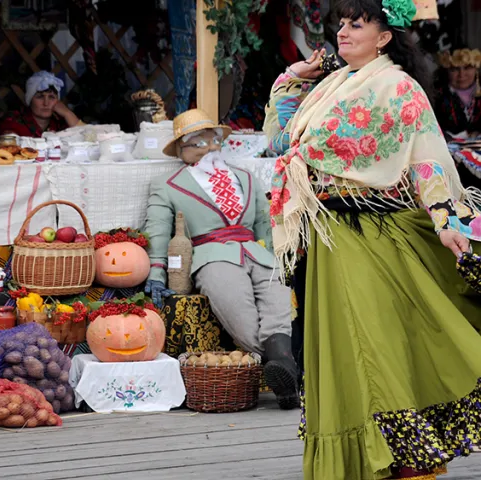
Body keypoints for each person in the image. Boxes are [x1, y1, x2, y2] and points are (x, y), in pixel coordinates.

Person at [264, 0, 481, 478]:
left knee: (377, 347)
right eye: (341, 23)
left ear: (384, 37)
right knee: (346, 353)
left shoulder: (398, 87)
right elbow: (282, 144)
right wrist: (293, 77)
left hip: (372, 234)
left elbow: (426, 159)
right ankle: (366, 461)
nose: (342, 32)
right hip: (330, 241)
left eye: (355, 24)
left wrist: (447, 222)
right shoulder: (330, 86)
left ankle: (405, 460)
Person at [143, 108, 299, 409]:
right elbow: (159, 231)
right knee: (239, 314)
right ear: (181, 150)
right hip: (212, 257)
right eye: (199, 144)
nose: (210, 149)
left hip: (256, 252)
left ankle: (284, 370)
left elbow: (265, 224)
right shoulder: (168, 185)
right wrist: (156, 273)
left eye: (214, 142)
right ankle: (285, 366)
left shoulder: (246, 178)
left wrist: (278, 256)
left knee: (278, 302)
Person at [0, 70, 82, 137]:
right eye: (40, 97)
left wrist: (68, 114)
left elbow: (88, 139)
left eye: (51, 97)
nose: (46, 103)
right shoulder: (13, 121)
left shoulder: (60, 122)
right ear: (30, 100)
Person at [434, 48, 480, 137]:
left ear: (476, 69)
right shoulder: (436, 96)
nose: (461, 74)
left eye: (467, 67)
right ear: (447, 71)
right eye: (454, 69)